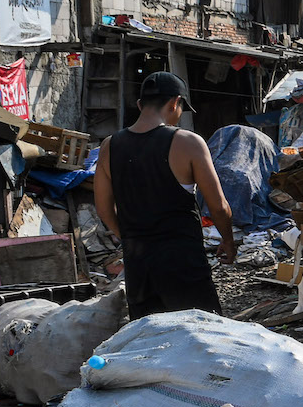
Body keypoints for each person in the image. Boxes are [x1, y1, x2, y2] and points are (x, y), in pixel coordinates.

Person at [94, 71, 236, 320]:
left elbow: (104, 209)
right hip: (183, 263)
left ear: (140, 105)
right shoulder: (188, 142)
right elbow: (219, 207)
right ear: (175, 103)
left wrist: (131, 237)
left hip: (138, 268)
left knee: (152, 339)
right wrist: (228, 241)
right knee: (201, 334)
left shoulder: (109, 146)